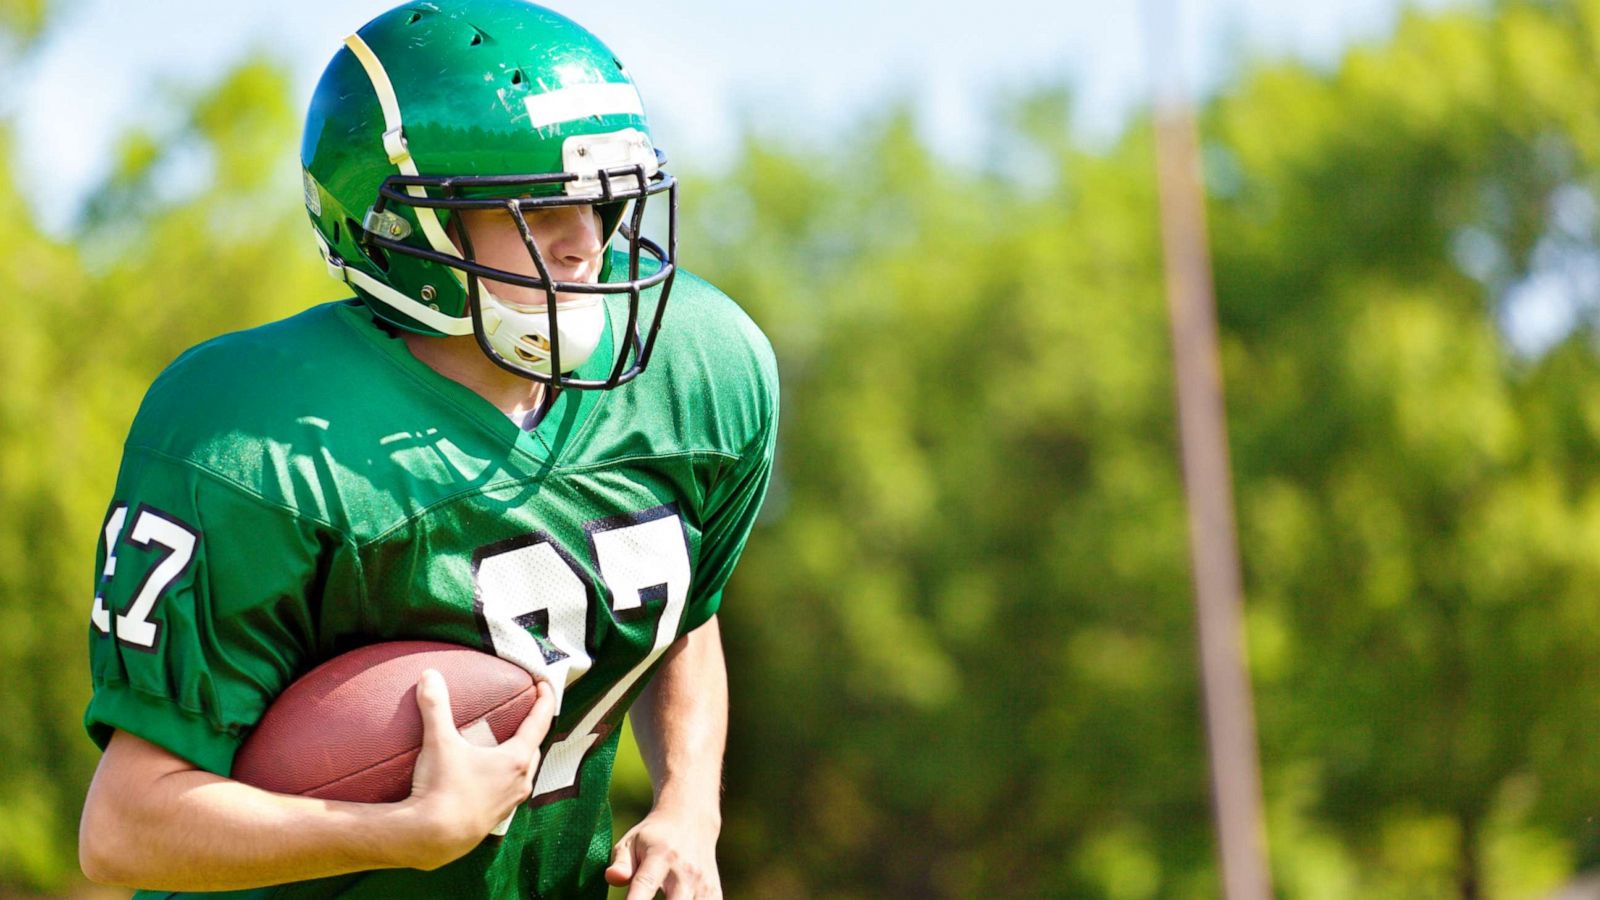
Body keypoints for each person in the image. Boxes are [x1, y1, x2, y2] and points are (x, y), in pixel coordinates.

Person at [75, 2, 777, 898]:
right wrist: (397, 831)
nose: (587, 243)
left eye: (599, 198)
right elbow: (126, 826)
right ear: (406, 233)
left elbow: (674, 607)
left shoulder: (699, 369)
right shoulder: (257, 441)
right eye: (534, 205)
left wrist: (688, 806)